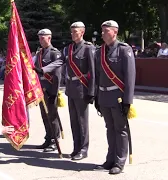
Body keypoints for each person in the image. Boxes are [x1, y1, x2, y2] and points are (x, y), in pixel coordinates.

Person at [94, 20, 135, 174]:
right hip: (104, 95)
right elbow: (98, 76)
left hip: (118, 97)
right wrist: (97, 97)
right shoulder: (100, 51)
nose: (103, 33)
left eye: (106, 31)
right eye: (102, 30)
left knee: (120, 129)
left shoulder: (124, 50)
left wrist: (127, 101)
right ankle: (110, 159)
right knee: (109, 129)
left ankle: (119, 161)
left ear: (115, 32)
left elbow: (130, 77)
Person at [63, 22, 95, 160]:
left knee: (82, 121)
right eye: (71, 32)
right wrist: (42, 70)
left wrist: (91, 92)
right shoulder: (69, 48)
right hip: (71, 89)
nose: (72, 34)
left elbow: (93, 72)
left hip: (82, 89)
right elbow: (60, 63)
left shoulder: (88, 48)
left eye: (75, 31)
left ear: (82, 32)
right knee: (73, 120)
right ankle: (76, 147)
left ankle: (83, 149)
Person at [33, 28, 64, 152]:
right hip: (41, 90)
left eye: (43, 37)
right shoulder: (39, 53)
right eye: (39, 38)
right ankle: (48, 137)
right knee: (44, 115)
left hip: (50, 90)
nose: (41, 40)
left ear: (49, 38)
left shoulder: (54, 53)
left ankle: (54, 140)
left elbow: (57, 75)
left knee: (52, 116)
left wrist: (54, 93)